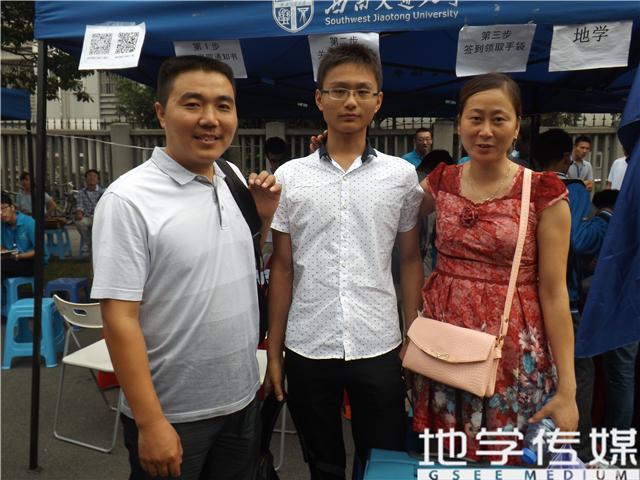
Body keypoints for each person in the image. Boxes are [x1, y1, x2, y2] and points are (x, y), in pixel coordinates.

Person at [90, 55, 281, 480]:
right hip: (172, 413)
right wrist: (150, 422)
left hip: (240, 398)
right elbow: (118, 319)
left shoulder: (232, 178)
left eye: (223, 105)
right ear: (161, 113)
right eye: (192, 104)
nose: (210, 119)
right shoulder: (128, 200)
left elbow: (232, 263)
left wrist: (263, 217)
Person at [266, 43, 424, 479]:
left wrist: (412, 336)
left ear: (378, 100)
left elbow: (410, 259)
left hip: (379, 342)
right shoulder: (290, 177)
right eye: (338, 90)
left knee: (382, 462)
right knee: (323, 464)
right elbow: (282, 267)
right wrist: (275, 351)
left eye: (361, 91)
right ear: (319, 99)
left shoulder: (400, 176)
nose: (350, 101)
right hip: (308, 343)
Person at [410, 73, 578, 463]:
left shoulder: (543, 192)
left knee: (506, 459)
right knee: (447, 459)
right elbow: (388, 216)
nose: (485, 131)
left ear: (516, 126)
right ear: (460, 123)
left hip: (511, 357)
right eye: (475, 118)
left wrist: (568, 390)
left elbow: (555, 293)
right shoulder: (441, 181)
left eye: (498, 119)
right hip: (443, 349)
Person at [533, 128, 610, 462]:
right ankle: (578, 451)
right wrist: (604, 218)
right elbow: (578, 241)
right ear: (567, 157)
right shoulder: (570, 188)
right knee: (577, 375)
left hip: (527, 301)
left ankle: (537, 448)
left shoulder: (526, 184)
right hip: (564, 299)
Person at [1, 191, 48, 278]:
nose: (1, 213)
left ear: (12, 207)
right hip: (12, 260)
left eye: (3, 208)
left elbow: (40, 250)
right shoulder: (2, 225)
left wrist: (18, 256)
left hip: (33, 261)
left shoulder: (29, 223)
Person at [74, 169, 104, 254]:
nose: (91, 178)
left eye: (94, 176)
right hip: (88, 217)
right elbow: (80, 205)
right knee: (79, 222)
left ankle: (95, 245)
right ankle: (88, 242)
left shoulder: (103, 192)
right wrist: (79, 212)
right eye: (89, 176)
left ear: (98, 180)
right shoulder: (81, 192)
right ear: (85, 179)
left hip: (100, 218)